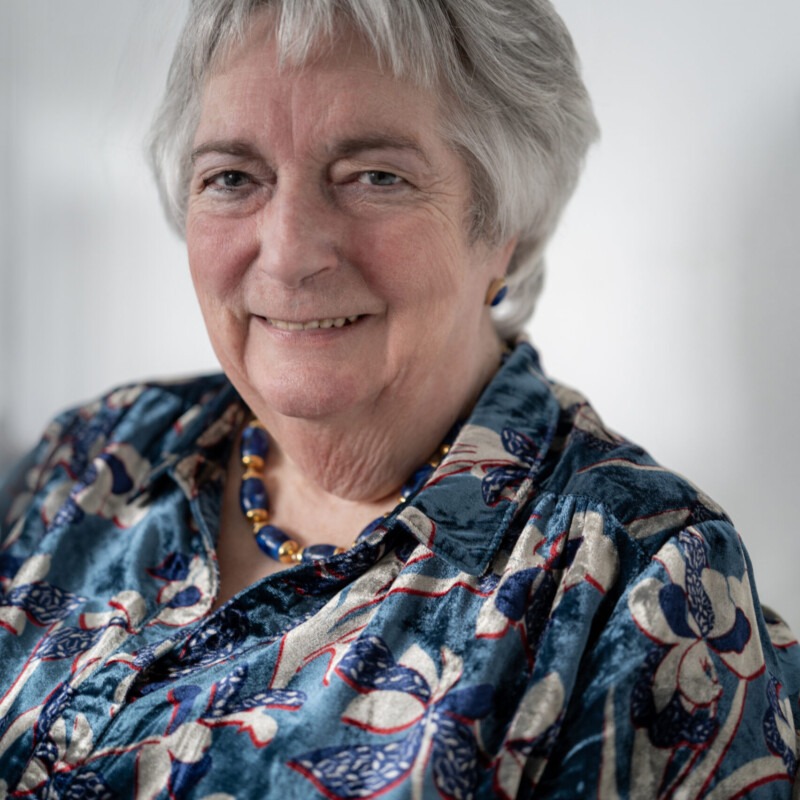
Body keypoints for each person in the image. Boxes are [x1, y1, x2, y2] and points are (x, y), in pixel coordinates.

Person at [0, 0, 798, 796]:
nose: (288, 253)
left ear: (504, 224)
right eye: (233, 178)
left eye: (376, 176)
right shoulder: (97, 450)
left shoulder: (647, 580)